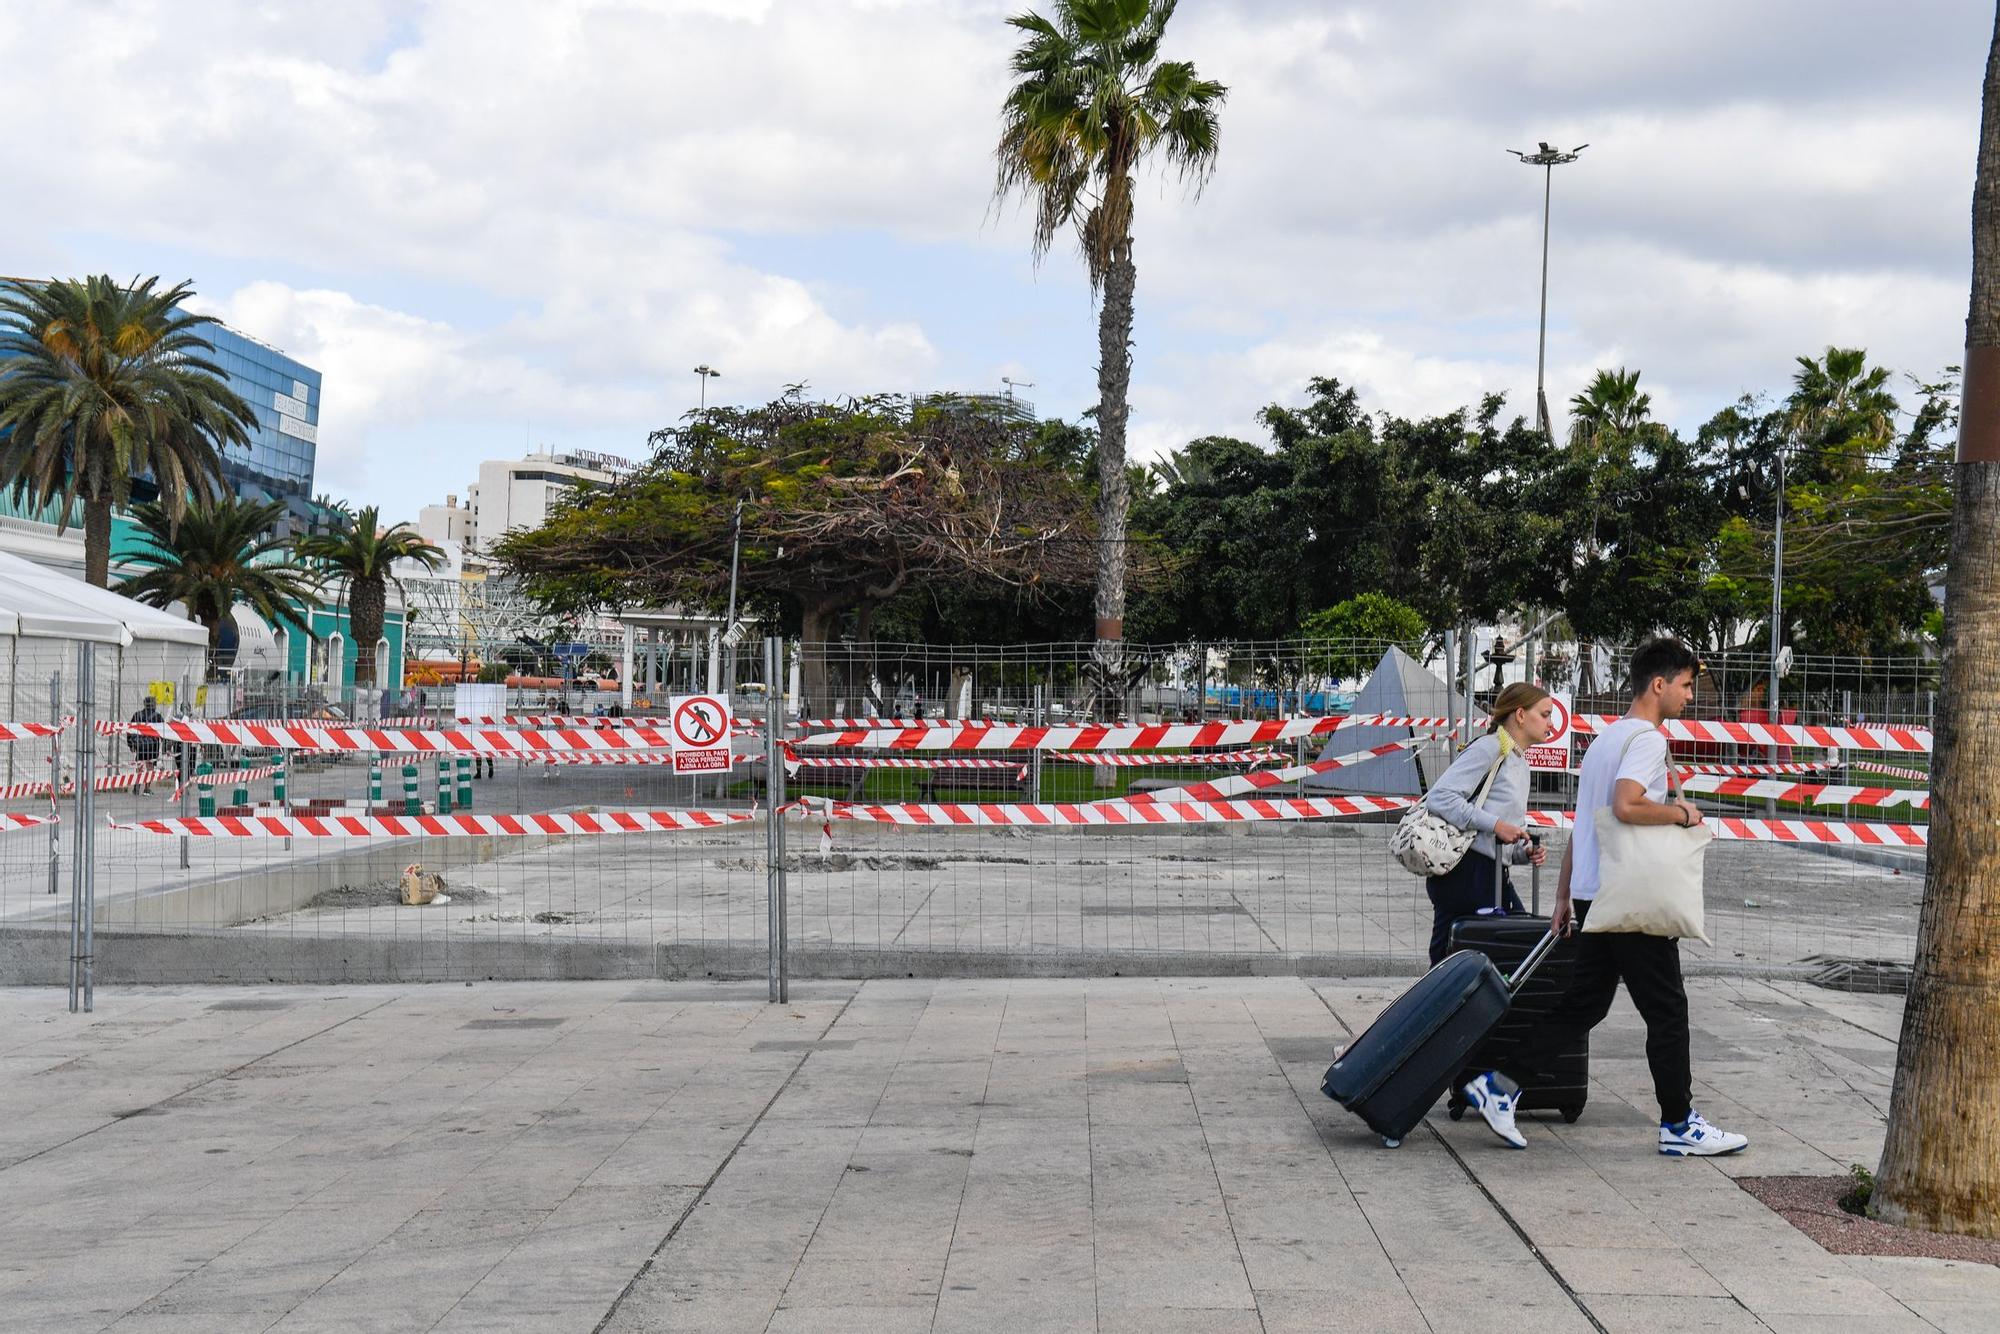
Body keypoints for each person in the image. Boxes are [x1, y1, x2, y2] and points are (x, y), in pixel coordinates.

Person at [1461, 637, 1749, 1157]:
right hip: (1630, 896)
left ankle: (1498, 1086)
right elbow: (1625, 807)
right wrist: (1686, 814)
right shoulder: (1645, 740)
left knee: (1583, 1005)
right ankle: (1679, 1125)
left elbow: (1583, 826)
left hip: (1597, 893)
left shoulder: (1604, 741)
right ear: (1658, 685)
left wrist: (1566, 894)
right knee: (1667, 1010)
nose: (1689, 695)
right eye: (1686, 685)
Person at [1420, 682, 1555, 965]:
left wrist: (1521, 852)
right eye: (1544, 714)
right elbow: (1440, 797)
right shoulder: (1489, 748)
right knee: (1460, 958)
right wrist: (1495, 825)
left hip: (1490, 873)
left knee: (1494, 956)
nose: (1551, 724)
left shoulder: (1518, 760)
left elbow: (1500, 833)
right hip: (1467, 872)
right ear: (1520, 714)